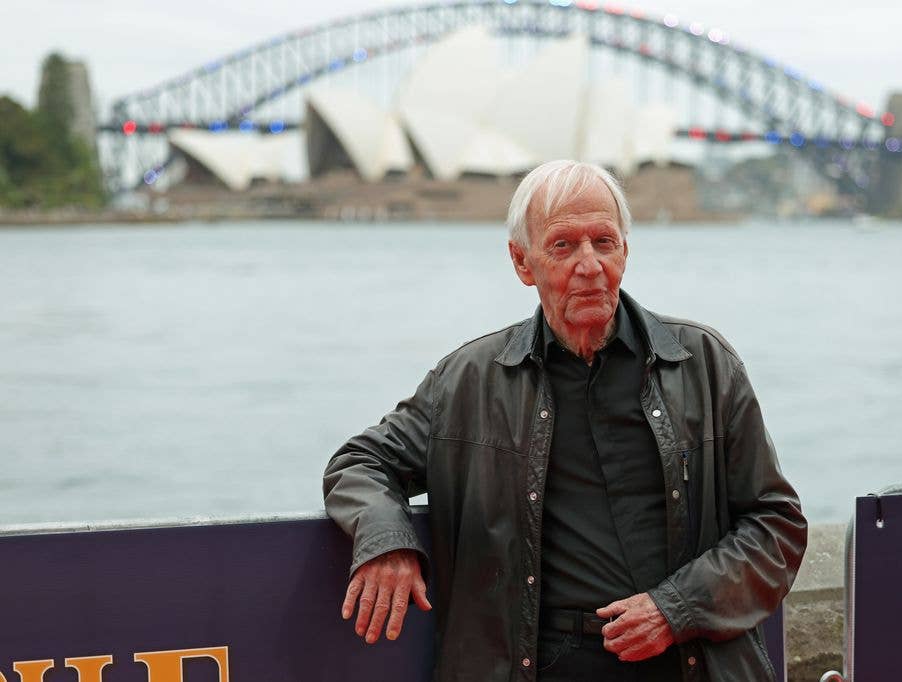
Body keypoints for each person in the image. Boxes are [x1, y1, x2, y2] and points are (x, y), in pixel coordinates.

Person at [323, 160, 807, 681]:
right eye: (563, 246)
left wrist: (675, 611)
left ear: (626, 250)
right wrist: (388, 540)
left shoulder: (706, 366)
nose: (590, 264)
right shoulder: (468, 382)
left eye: (604, 241)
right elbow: (359, 462)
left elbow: (775, 526)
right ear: (521, 262)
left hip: (687, 661)